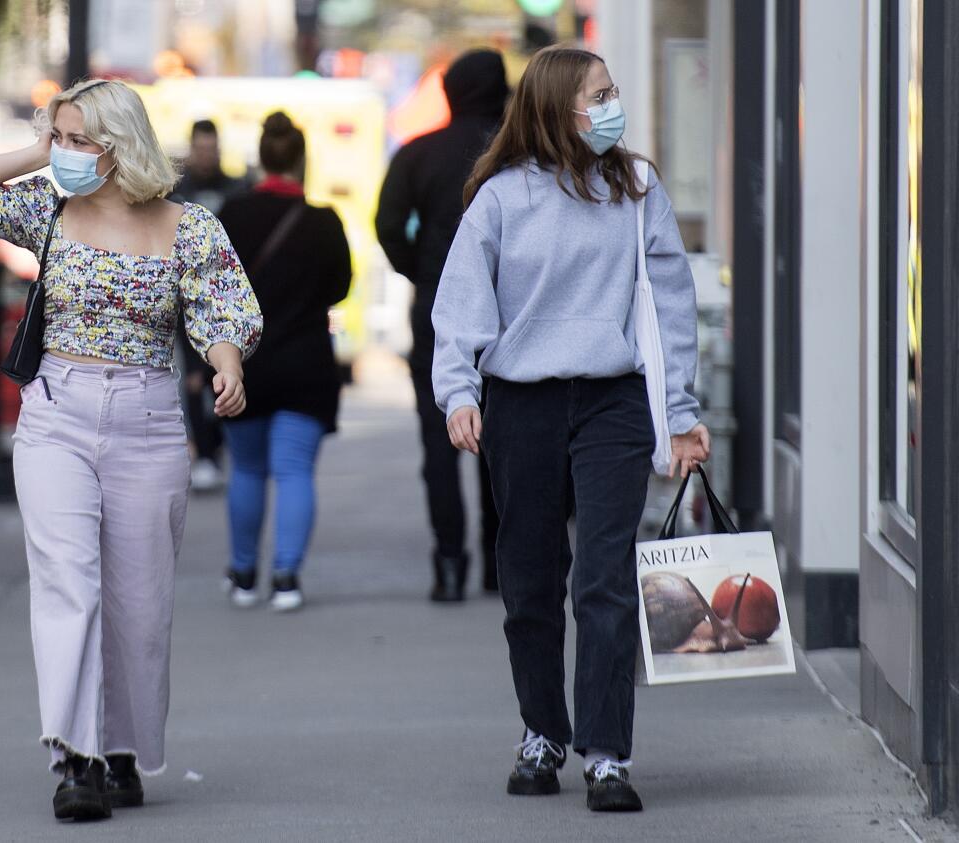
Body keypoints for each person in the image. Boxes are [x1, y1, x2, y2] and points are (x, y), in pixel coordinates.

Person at [0, 79, 262, 822]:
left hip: (147, 420)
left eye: (81, 141)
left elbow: (225, 306)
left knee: (139, 604)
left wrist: (227, 362)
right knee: (67, 583)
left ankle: (121, 751)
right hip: (55, 416)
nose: (67, 154)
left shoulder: (189, 227)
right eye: (62, 138)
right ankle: (75, 757)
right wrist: (37, 148)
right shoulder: (47, 209)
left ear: (122, 146)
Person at [431, 47, 710, 812]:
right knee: (528, 578)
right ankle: (542, 732)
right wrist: (458, 392)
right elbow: (459, 305)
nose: (613, 105)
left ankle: (607, 751)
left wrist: (679, 412)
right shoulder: (499, 199)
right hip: (520, 404)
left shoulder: (636, 185)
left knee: (606, 579)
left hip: (612, 401)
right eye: (601, 94)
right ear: (559, 107)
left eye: (613, 91)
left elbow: (671, 305)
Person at [376, 49, 508, 602]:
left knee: (440, 440)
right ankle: (500, 566)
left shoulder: (417, 153)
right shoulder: (518, 155)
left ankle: (449, 563)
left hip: (435, 310)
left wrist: (422, 272)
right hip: (509, 314)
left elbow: (386, 225)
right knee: (503, 440)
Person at [216, 111, 352, 612]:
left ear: (262, 158)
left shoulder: (232, 213)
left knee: (247, 470)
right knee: (294, 470)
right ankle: (287, 578)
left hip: (242, 363)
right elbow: (340, 287)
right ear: (302, 161)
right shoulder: (323, 222)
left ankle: (244, 574)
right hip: (305, 363)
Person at [172, 120, 247, 492]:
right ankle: (203, 452)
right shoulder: (176, 190)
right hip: (185, 300)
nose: (206, 155)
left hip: (224, 294)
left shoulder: (235, 189)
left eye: (211, 148)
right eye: (200, 149)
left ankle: (215, 447)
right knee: (192, 379)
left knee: (223, 374)